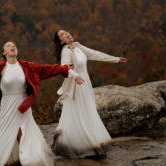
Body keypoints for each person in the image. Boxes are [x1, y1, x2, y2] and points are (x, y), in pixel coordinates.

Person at [52, 30, 127, 159]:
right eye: (62, 34)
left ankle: (92, 138)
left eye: (66, 32)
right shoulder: (66, 51)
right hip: (77, 85)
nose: (66, 34)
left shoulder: (78, 47)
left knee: (88, 109)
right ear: (61, 41)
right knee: (79, 110)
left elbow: (95, 54)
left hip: (85, 83)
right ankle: (82, 143)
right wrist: (75, 76)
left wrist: (115, 59)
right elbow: (64, 67)